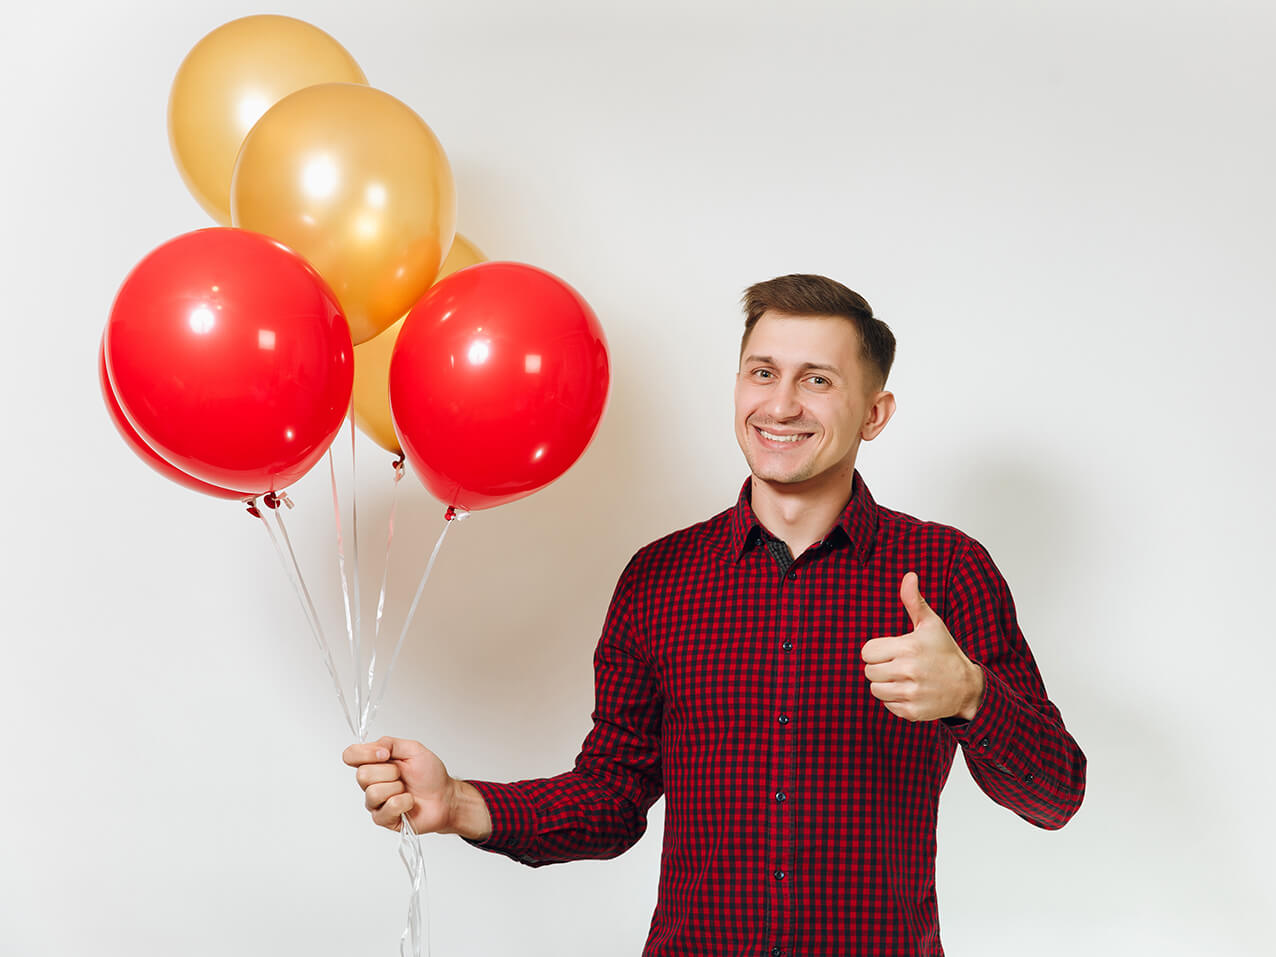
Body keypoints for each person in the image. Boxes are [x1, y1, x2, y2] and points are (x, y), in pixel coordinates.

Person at [344, 274, 1087, 956]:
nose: (781, 404)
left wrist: (971, 696)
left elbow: (1057, 795)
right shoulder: (660, 580)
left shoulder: (946, 571)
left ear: (874, 413)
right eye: (763, 372)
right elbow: (610, 797)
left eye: (817, 380)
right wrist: (459, 802)